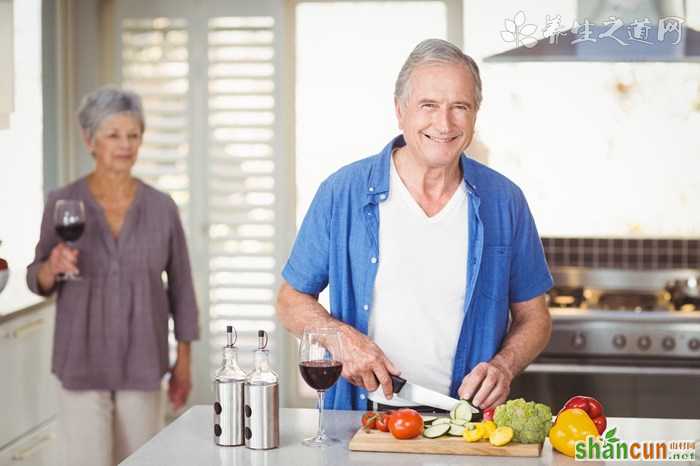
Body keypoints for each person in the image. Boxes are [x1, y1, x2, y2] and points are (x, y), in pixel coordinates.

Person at [277, 39, 553, 412]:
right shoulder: (342, 192)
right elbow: (290, 300)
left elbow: (535, 318)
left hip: (466, 425)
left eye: (460, 107)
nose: (444, 123)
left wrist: (504, 366)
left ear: (475, 114)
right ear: (400, 110)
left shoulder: (505, 201)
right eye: (429, 106)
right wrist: (341, 340)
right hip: (363, 420)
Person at [26, 87, 199, 465]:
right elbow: (36, 279)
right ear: (90, 140)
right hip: (82, 358)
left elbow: (182, 288)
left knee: (143, 460)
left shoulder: (161, 207)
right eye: (113, 135)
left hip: (143, 358)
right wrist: (51, 267)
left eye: (133, 135)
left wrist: (183, 360)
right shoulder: (62, 201)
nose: (125, 145)